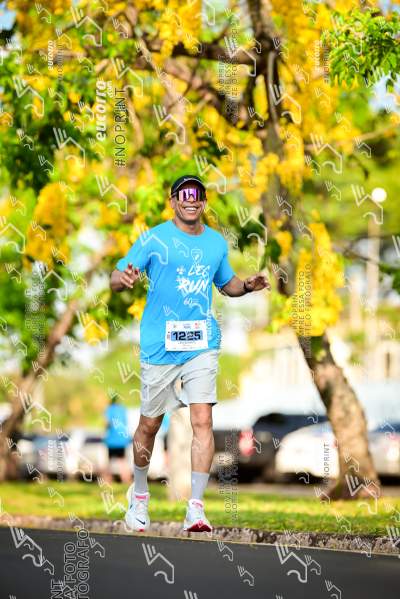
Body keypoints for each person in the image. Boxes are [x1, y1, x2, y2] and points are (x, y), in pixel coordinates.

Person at [110, 174, 270, 532]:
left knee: (202, 421)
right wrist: (124, 278)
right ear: (173, 202)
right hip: (160, 344)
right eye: (183, 194)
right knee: (150, 425)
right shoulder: (153, 239)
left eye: (197, 194)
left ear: (204, 201)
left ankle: (195, 508)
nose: (190, 199)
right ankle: (139, 496)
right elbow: (115, 277)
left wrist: (247, 285)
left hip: (202, 342)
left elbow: (226, 284)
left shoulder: (215, 243)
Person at [103, 395, 131, 484]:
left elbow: (107, 423)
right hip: (122, 440)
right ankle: (126, 480)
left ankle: (107, 480)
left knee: (109, 462)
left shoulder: (109, 409)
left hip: (111, 440)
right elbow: (125, 423)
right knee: (123, 461)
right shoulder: (123, 409)